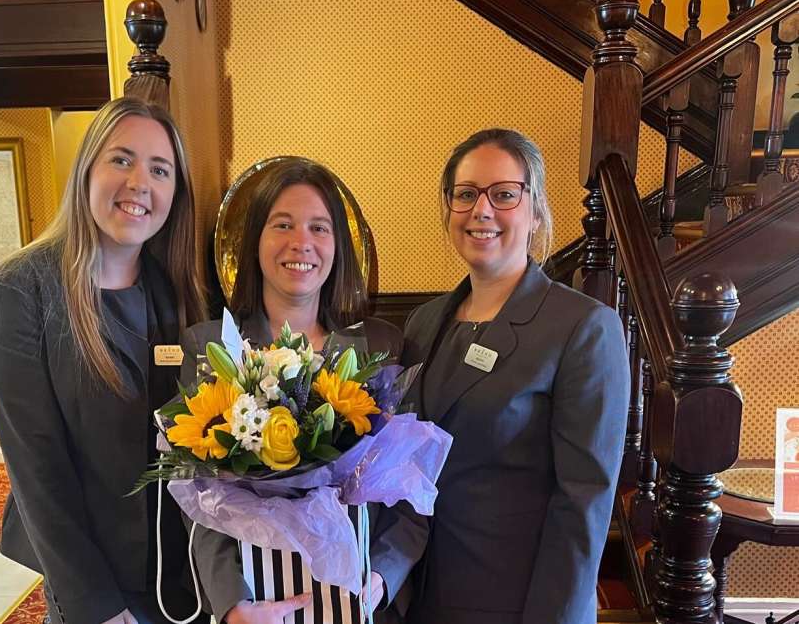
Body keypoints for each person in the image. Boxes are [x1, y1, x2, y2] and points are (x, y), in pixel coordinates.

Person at [0, 97, 209, 624]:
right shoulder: (21, 288)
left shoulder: (179, 292)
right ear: (87, 170)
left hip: (181, 576)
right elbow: (37, 469)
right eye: (121, 160)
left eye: (160, 170)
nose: (139, 184)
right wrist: (96, 608)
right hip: (90, 579)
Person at [180, 158, 423, 624]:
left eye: (319, 227)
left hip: (357, 594)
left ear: (338, 246)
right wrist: (231, 603)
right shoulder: (210, 347)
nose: (302, 243)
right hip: (255, 601)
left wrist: (384, 577)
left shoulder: (380, 346)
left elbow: (408, 485)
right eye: (283, 225)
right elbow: (196, 495)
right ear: (254, 242)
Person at [401, 129, 630, 624]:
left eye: (504, 194)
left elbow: (583, 503)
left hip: (516, 604)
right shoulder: (423, 322)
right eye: (465, 195)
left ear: (535, 211)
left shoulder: (583, 327)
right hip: (417, 596)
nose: (482, 210)